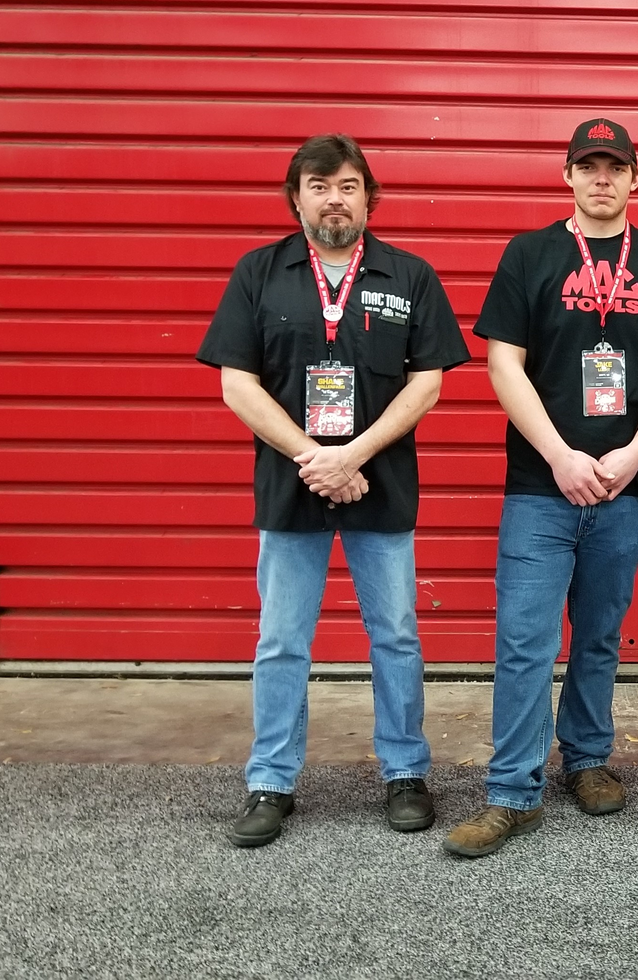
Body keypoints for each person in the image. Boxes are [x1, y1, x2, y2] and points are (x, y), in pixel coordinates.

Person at [197, 133, 471, 847]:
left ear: (368, 198)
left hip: (380, 483)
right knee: (282, 641)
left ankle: (406, 773)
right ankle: (271, 782)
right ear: (296, 197)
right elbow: (236, 382)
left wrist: (353, 455)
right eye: (319, 185)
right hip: (292, 487)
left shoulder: (408, 275)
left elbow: (428, 381)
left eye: (348, 185)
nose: (334, 198)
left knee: (397, 637)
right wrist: (311, 455)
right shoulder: (259, 273)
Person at [441, 119, 638, 858]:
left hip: (626, 484)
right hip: (540, 485)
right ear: (567, 177)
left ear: (635, 178)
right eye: (588, 166)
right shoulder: (530, 255)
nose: (601, 179)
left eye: (614, 167)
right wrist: (558, 456)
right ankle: (512, 793)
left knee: (599, 635)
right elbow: (503, 365)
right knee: (524, 639)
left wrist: (633, 453)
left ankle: (586, 760)